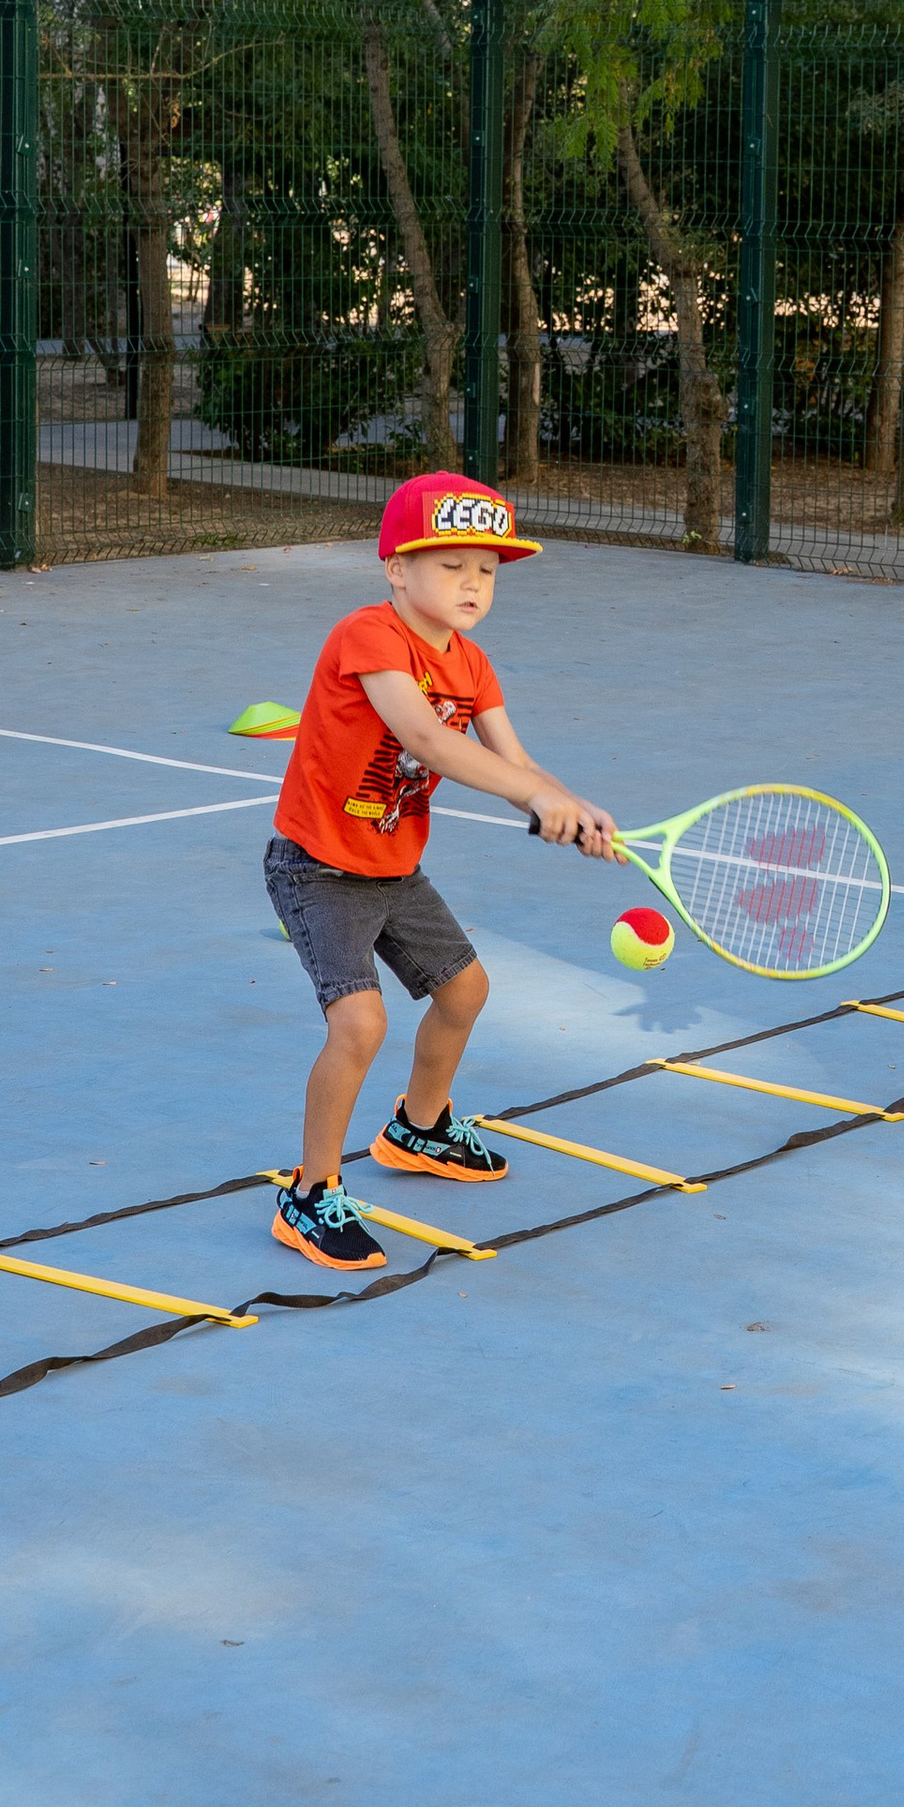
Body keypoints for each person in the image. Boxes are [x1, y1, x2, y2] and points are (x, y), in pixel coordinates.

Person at [264, 474, 614, 1270]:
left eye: (486, 570)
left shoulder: (476, 665)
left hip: (392, 865)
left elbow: (514, 760)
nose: (472, 583)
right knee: (359, 1025)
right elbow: (426, 739)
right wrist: (531, 793)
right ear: (396, 569)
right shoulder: (370, 637)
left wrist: (570, 807)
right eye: (450, 564)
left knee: (465, 989)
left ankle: (418, 1129)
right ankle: (309, 1195)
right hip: (316, 866)